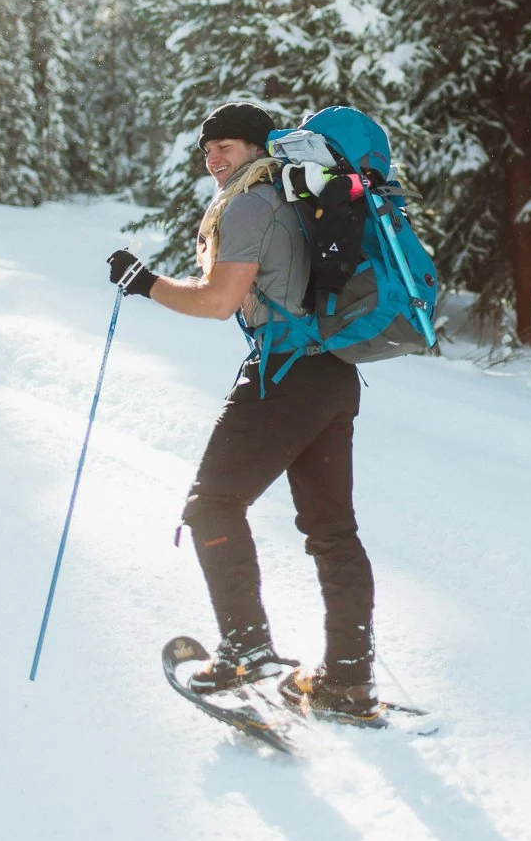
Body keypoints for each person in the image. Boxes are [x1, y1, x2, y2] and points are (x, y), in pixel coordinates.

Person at [106, 101, 377, 717]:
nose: (214, 158)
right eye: (208, 149)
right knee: (334, 533)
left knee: (212, 506)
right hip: (332, 376)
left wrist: (143, 283)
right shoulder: (294, 199)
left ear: (259, 148)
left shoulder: (253, 203)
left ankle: (247, 650)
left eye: (226, 146)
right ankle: (348, 681)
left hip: (282, 375)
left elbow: (218, 299)